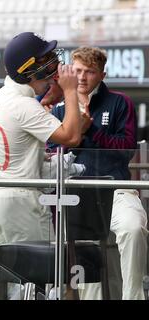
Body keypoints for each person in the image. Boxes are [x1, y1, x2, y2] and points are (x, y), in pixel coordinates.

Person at [0, 32, 81, 300]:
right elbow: (71, 136)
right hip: (23, 202)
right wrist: (70, 91)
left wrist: (36, 157)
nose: (52, 65)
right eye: (45, 59)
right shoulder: (23, 104)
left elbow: (16, 144)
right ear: (27, 70)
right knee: (41, 283)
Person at [49, 46, 148, 300]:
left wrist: (91, 129)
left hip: (115, 190)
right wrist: (75, 133)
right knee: (90, 272)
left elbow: (126, 150)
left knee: (134, 227)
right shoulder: (59, 108)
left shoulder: (119, 102)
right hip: (76, 195)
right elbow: (51, 155)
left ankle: (134, 297)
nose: (82, 77)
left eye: (90, 72)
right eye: (78, 70)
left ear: (102, 75)